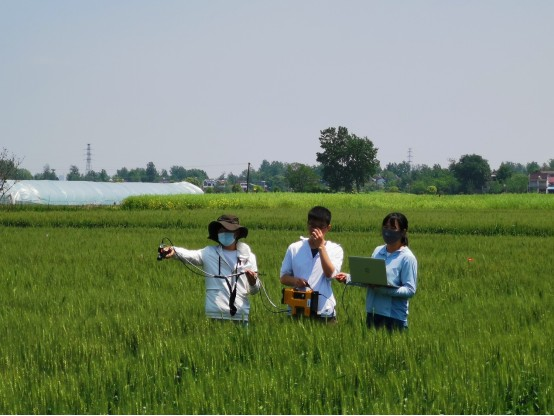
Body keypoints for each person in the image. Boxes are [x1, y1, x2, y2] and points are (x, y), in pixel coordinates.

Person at [160, 214, 260, 324]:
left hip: (241, 315)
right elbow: (190, 255)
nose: (224, 233)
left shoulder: (249, 257)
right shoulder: (209, 253)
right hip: (215, 313)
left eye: (228, 230)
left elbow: (254, 290)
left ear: (236, 233)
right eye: (221, 230)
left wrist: (253, 282)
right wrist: (174, 250)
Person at [338, 212, 417, 331]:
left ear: (403, 232)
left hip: (394, 317)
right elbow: (369, 278)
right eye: (385, 228)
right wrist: (349, 278)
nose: (388, 231)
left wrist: (383, 289)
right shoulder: (378, 251)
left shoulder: (407, 258)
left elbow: (410, 290)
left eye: (393, 228)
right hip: (373, 313)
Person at [280, 206, 346, 322]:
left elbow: (330, 274)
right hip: (297, 309)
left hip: (324, 311)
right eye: (312, 226)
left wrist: (321, 247)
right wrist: (296, 281)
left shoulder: (335, 249)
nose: (316, 231)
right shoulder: (295, 248)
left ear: (328, 228)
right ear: (307, 225)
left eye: (321, 227)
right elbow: (283, 278)